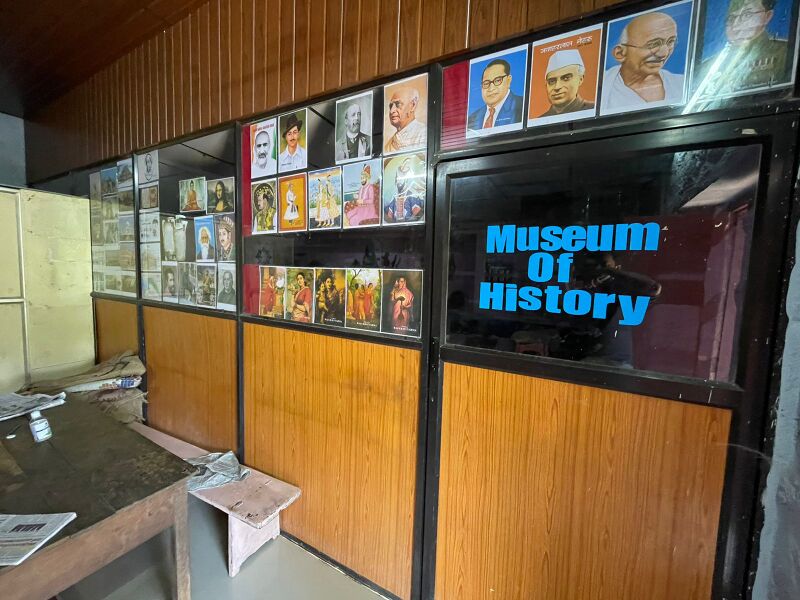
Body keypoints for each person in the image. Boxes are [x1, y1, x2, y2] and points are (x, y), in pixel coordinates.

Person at [697, 0, 790, 95]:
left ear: (767, 16)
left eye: (747, 15)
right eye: (731, 18)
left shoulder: (787, 53)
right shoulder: (707, 68)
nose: (735, 26)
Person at [600, 11, 684, 111]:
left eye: (670, 42)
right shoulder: (601, 87)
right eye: (653, 44)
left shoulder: (681, 84)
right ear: (620, 53)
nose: (664, 54)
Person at [467, 59, 525, 131]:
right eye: (486, 83)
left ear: (508, 80)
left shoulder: (523, 106)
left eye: (497, 80)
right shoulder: (472, 119)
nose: (491, 88)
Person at [539, 49, 595, 117]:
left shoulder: (594, 109)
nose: (557, 87)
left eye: (566, 78)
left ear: (580, 79)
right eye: (552, 81)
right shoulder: (539, 121)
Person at [384, 85, 427, 153]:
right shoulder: (388, 145)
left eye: (398, 104)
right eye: (391, 106)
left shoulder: (423, 133)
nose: (392, 111)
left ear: (413, 105)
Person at [385, 157, 424, 223]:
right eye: (397, 179)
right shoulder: (394, 198)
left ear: (406, 180)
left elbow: (417, 214)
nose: (398, 182)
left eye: (401, 178)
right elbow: (389, 216)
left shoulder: (412, 196)